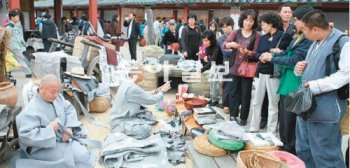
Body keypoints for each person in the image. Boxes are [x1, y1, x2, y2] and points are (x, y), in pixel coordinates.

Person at [294, 10, 349, 167]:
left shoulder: (343, 43)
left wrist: (316, 85)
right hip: (306, 105)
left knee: (326, 154)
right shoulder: (316, 42)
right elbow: (313, 68)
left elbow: (345, 75)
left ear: (315, 29)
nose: (303, 33)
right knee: (304, 149)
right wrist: (299, 69)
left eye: (304, 30)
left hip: (326, 108)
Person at [259, 5, 314, 154]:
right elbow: (288, 54)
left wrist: (272, 58)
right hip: (287, 82)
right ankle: (284, 147)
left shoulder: (308, 40)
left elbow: (295, 59)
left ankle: (290, 152)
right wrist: (275, 56)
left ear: (305, 20)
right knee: (284, 120)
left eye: (296, 19)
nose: (294, 22)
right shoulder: (299, 37)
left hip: (295, 86)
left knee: (290, 123)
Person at [10, 74, 95, 167]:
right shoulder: (31, 109)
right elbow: (26, 136)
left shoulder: (57, 98)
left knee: (83, 154)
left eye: (58, 91)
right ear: (41, 89)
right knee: (78, 157)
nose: (56, 95)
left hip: (61, 138)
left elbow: (69, 108)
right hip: (42, 148)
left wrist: (68, 127)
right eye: (53, 91)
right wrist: (50, 129)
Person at [249, 12, 293, 133]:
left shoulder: (284, 36)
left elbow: (287, 53)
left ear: (271, 24)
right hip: (261, 72)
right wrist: (261, 56)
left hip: (274, 73)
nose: (262, 26)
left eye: (264, 24)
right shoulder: (262, 38)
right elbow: (256, 53)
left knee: (273, 103)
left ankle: (271, 130)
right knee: (256, 101)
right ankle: (253, 127)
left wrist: (275, 53)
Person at [110, 65, 171, 139]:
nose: (144, 74)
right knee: (144, 130)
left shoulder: (127, 83)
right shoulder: (132, 88)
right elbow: (151, 100)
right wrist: (162, 91)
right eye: (143, 72)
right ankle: (123, 133)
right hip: (120, 123)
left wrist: (158, 90)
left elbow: (142, 94)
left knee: (149, 116)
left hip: (120, 119)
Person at [223, 9, 261, 126]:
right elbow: (225, 44)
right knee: (233, 92)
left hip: (247, 69)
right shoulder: (236, 32)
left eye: (251, 21)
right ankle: (233, 115)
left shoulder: (257, 35)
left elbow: (256, 52)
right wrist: (231, 45)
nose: (248, 23)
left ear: (254, 22)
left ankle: (244, 117)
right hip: (234, 67)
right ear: (242, 20)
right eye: (246, 20)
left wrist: (247, 52)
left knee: (246, 93)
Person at [5, 9, 32, 78]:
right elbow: (6, 37)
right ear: (12, 17)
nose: (18, 18)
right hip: (13, 46)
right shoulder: (9, 26)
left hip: (15, 46)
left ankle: (8, 73)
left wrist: (24, 44)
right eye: (17, 16)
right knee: (20, 60)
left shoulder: (15, 25)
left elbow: (19, 37)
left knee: (11, 60)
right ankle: (28, 73)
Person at [200, 30, 223, 106]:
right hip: (214, 65)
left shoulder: (217, 46)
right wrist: (206, 56)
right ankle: (213, 98)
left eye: (206, 41)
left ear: (211, 40)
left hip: (220, 64)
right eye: (203, 40)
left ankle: (217, 100)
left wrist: (202, 70)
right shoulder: (207, 46)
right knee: (212, 82)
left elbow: (212, 61)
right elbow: (207, 53)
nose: (205, 43)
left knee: (216, 83)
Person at [218, 16, 234, 113]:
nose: (225, 29)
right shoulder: (222, 38)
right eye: (223, 27)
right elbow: (225, 52)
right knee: (226, 84)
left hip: (237, 63)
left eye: (227, 26)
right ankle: (226, 104)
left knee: (235, 85)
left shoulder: (237, 35)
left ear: (232, 26)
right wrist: (235, 50)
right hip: (227, 63)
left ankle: (235, 104)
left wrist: (233, 49)